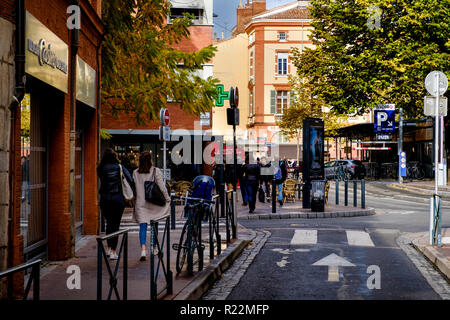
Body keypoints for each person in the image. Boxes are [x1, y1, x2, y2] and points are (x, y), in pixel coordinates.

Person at [133, 151, 171, 261]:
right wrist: (167, 198)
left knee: (143, 227)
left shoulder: (135, 172)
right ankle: (154, 248)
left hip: (141, 203)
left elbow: (134, 188)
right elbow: (162, 187)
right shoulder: (155, 171)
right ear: (150, 160)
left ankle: (143, 250)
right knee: (154, 225)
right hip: (153, 203)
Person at [97, 148, 134, 260]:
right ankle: (113, 251)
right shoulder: (120, 167)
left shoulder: (100, 168)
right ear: (114, 157)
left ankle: (108, 248)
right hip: (117, 198)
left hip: (105, 198)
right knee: (116, 225)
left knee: (109, 223)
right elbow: (130, 179)